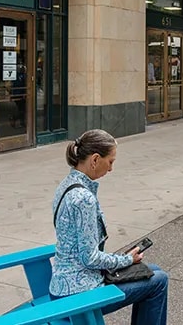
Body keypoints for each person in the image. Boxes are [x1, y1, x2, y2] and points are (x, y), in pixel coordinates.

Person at [50, 130, 169, 323]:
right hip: (79, 292)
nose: (111, 169)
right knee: (159, 281)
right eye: (111, 162)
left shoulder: (67, 184)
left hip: (65, 282)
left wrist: (124, 260)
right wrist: (125, 260)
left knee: (152, 270)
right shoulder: (83, 199)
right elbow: (89, 257)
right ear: (95, 159)